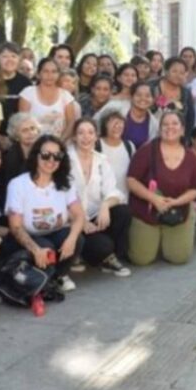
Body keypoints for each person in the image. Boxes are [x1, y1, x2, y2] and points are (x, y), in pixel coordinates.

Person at [5, 135, 85, 292]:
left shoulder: (65, 182)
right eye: (46, 155)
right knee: (46, 247)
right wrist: (35, 249)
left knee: (77, 238)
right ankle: (43, 278)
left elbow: (79, 215)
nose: (51, 160)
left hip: (54, 232)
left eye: (57, 156)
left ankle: (59, 275)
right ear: (36, 155)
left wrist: (72, 239)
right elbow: (15, 227)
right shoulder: (18, 184)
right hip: (27, 237)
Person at [127, 111, 196, 266]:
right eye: (165, 124)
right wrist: (154, 199)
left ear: (182, 129)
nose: (170, 127)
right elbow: (131, 180)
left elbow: (195, 188)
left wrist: (176, 202)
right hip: (147, 211)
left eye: (174, 124)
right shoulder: (146, 151)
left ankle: (165, 239)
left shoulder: (191, 157)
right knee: (141, 259)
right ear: (160, 129)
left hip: (177, 211)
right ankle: (152, 237)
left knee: (179, 258)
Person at [68, 118, 131, 277]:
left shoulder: (101, 160)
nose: (86, 137)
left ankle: (107, 256)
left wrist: (105, 206)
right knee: (103, 246)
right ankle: (88, 253)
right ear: (74, 137)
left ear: (96, 136)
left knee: (123, 211)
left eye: (90, 132)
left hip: (94, 216)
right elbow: (61, 197)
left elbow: (114, 192)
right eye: (81, 133)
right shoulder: (66, 161)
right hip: (72, 219)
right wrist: (81, 220)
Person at [19, 57, 77, 140]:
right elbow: (22, 122)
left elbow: (71, 123)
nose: (50, 75)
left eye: (54, 71)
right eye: (46, 71)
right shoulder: (28, 93)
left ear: (58, 74)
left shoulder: (66, 96)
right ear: (38, 74)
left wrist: (60, 142)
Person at [0, 113, 41, 212]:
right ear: (16, 135)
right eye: (24, 130)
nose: (30, 133)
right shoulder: (8, 158)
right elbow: (6, 189)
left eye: (33, 128)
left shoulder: (43, 152)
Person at [148, 57, 195, 140]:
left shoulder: (186, 93)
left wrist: (185, 139)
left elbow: (190, 119)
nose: (178, 75)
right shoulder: (151, 86)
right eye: (174, 71)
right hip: (149, 134)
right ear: (166, 71)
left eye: (182, 73)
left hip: (173, 138)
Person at [0, 42, 31, 138]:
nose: (9, 60)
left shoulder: (26, 83)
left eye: (13, 56)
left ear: (19, 59)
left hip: (17, 136)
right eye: (5, 56)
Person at [97, 110, 134, 204]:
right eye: (112, 122)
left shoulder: (129, 146)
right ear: (105, 125)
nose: (117, 126)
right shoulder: (96, 145)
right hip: (100, 203)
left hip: (123, 202)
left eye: (120, 122)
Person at [122, 81, 159, 150]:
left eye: (147, 96)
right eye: (139, 95)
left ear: (153, 100)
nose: (143, 98)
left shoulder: (155, 124)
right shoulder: (117, 112)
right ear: (131, 96)